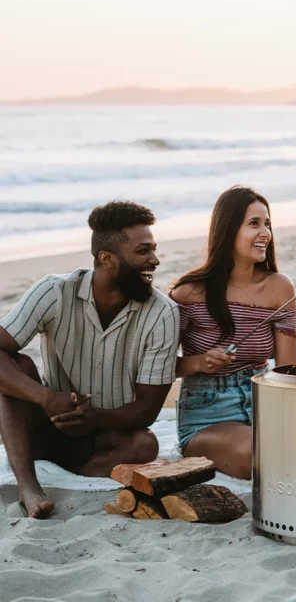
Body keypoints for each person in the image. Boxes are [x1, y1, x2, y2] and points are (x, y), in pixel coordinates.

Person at [0, 202, 179, 518]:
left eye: (154, 249)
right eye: (143, 251)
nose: (155, 260)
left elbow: (148, 408)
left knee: (145, 446)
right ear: (107, 258)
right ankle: (29, 486)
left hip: (106, 436)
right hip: (45, 423)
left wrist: (95, 418)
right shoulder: (54, 291)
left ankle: (76, 473)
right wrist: (47, 398)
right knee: (17, 365)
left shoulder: (163, 313)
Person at [170, 186, 296, 480]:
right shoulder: (189, 292)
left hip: (265, 407)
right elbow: (157, 368)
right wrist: (199, 363)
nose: (265, 232)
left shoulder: (280, 288)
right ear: (228, 230)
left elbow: (289, 371)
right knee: (262, 452)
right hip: (207, 417)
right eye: (254, 224)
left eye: (267, 224)